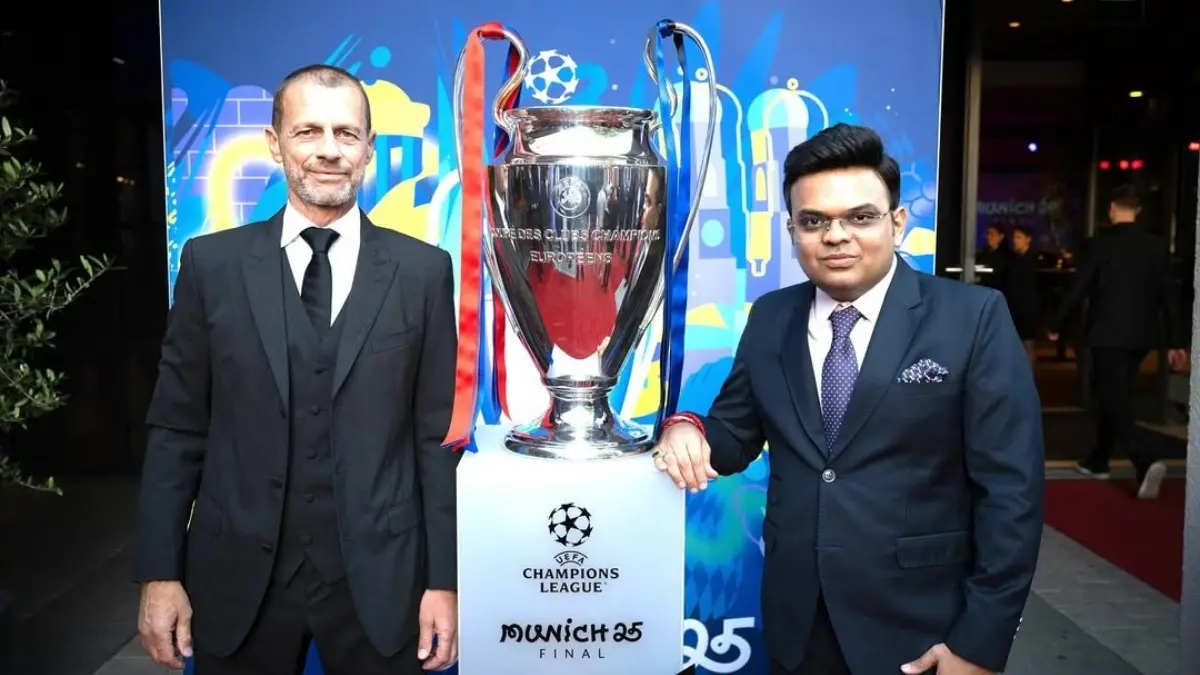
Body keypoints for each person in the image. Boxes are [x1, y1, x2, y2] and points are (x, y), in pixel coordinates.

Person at [652, 124, 1044, 675]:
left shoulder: (972, 318)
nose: (836, 236)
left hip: (921, 627)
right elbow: (734, 436)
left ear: (897, 222)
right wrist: (686, 427)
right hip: (797, 621)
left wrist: (979, 643)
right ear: (792, 230)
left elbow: (1011, 491)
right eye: (814, 221)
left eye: (860, 217)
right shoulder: (772, 317)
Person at [134, 64, 460, 674]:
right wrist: (159, 572)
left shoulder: (423, 272)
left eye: (346, 133)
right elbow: (177, 429)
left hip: (383, 581)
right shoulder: (211, 266)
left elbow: (435, 441)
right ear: (274, 142)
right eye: (308, 131)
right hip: (236, 579)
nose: (329, 150)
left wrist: (445, 581)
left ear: (368, 148)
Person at [1047, 185, 1187, 499]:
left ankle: (1144, 460)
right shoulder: (1156, 246)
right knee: (1116, 395)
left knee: (1112, 398)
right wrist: (1176, 342)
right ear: (1137, 211)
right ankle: (1099, 460)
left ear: (1111, 208)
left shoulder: (1099, 244)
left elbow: (1079, 287)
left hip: (1107, 333)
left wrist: (1057, 323)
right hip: (1142, 335)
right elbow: (1169, 297)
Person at [1002, 224, 1042, 364]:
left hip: (1028, 309)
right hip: (1016, 308)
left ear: (1028, 239)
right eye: (1014, 237)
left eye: (1019, 237)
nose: (1015, 241)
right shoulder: (1015, 259)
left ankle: (1029, 376)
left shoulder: (1032, 260)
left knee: (1028, 345)